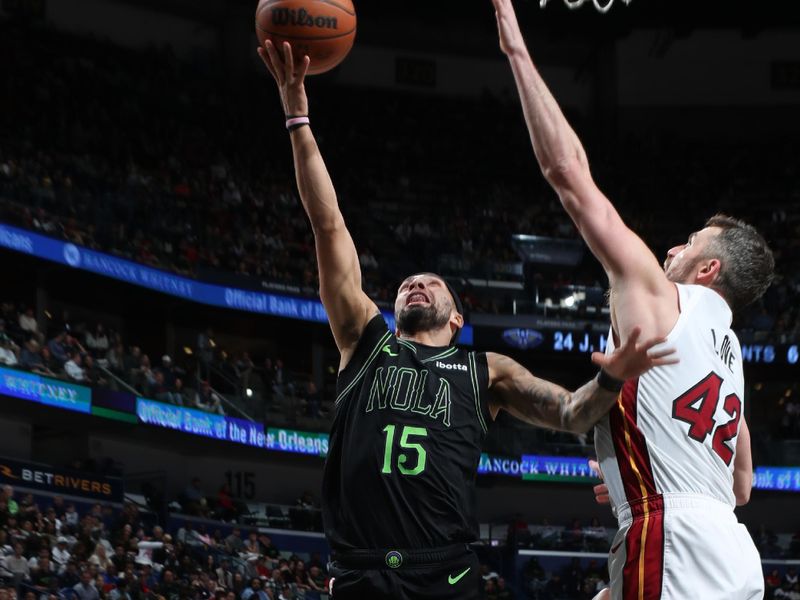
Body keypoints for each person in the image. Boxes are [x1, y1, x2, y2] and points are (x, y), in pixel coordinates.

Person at [256, 39, 675, 600]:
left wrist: (612, 377)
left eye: (432, 284)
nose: (414, 285)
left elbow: (572, 414)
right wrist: (297, 116)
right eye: (407, 283)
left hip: (445, 572)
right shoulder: (364, 339)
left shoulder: (486, 370)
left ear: (457, 319)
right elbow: (328, 224)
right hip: (361, 570)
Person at [492, 1, 774, 598]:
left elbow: (568, 173)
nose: (673, 245)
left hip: (673, 542)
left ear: (709, 267)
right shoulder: (731, 354)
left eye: (691, 241)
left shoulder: (658, 293)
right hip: (732, 551)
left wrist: (516, 52)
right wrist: (636, 474)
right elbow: (742, 486)